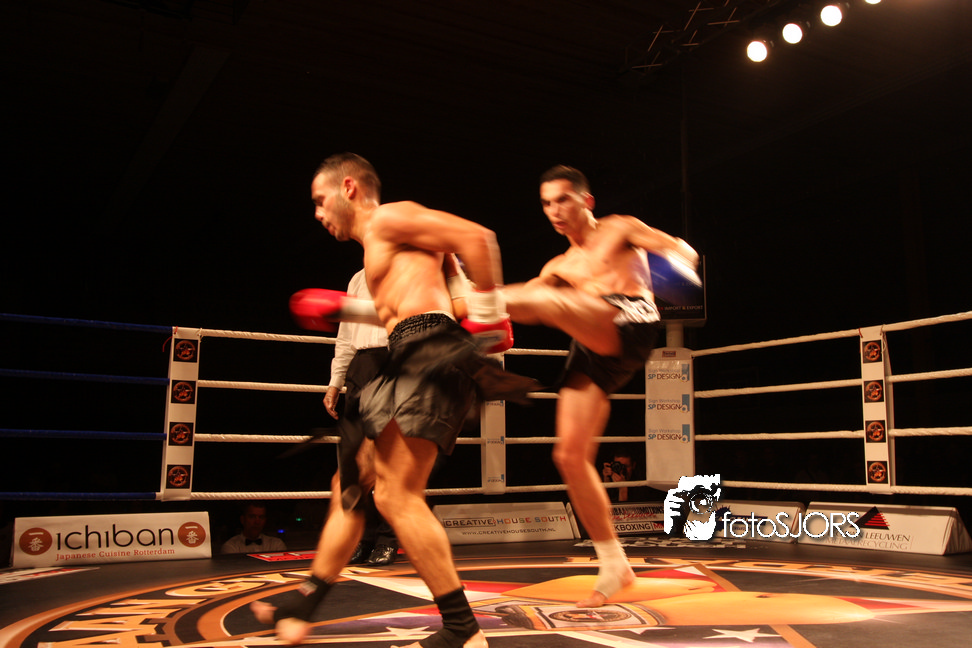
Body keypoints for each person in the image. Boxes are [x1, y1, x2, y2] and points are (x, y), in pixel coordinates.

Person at [252, 152, 537, 648]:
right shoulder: (384, 249)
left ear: (349, 188)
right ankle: (303, 605)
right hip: (408, 350)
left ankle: (462, 628)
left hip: (426, 351)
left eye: (320, 200)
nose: (317, 213)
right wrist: (345, 308)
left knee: (395, 494)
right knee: (352, 484)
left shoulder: (390, 217)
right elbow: (411, 306)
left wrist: (491, 314)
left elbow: (478, 238)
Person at [496, 165, 699, 608]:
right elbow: (528, 299)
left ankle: (456, 301)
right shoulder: (559, 266)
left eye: (562, 200)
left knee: (545, 299)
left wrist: (679, 266)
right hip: (590, 340)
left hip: (630, 319)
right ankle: (614, 564)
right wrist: (489, 306)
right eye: (546, 203)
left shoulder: (619, 229)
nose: (554, 210)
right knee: (569, 457)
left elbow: (679, 248)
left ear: (586, 201)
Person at [324, 269, 398, 566]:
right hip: (360, 366)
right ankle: (362, 538)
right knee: (355, 460)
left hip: (396, 362)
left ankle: (388, 539)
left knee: (389, 458)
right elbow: (345, 336)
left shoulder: (410, 268)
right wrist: (335, 382)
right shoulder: (357, 278)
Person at [220, 501, 287, 554]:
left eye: (261, 517)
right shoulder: (230, 546)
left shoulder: (276, 544)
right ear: (242, 520)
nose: (257, 522)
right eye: (252, 517)